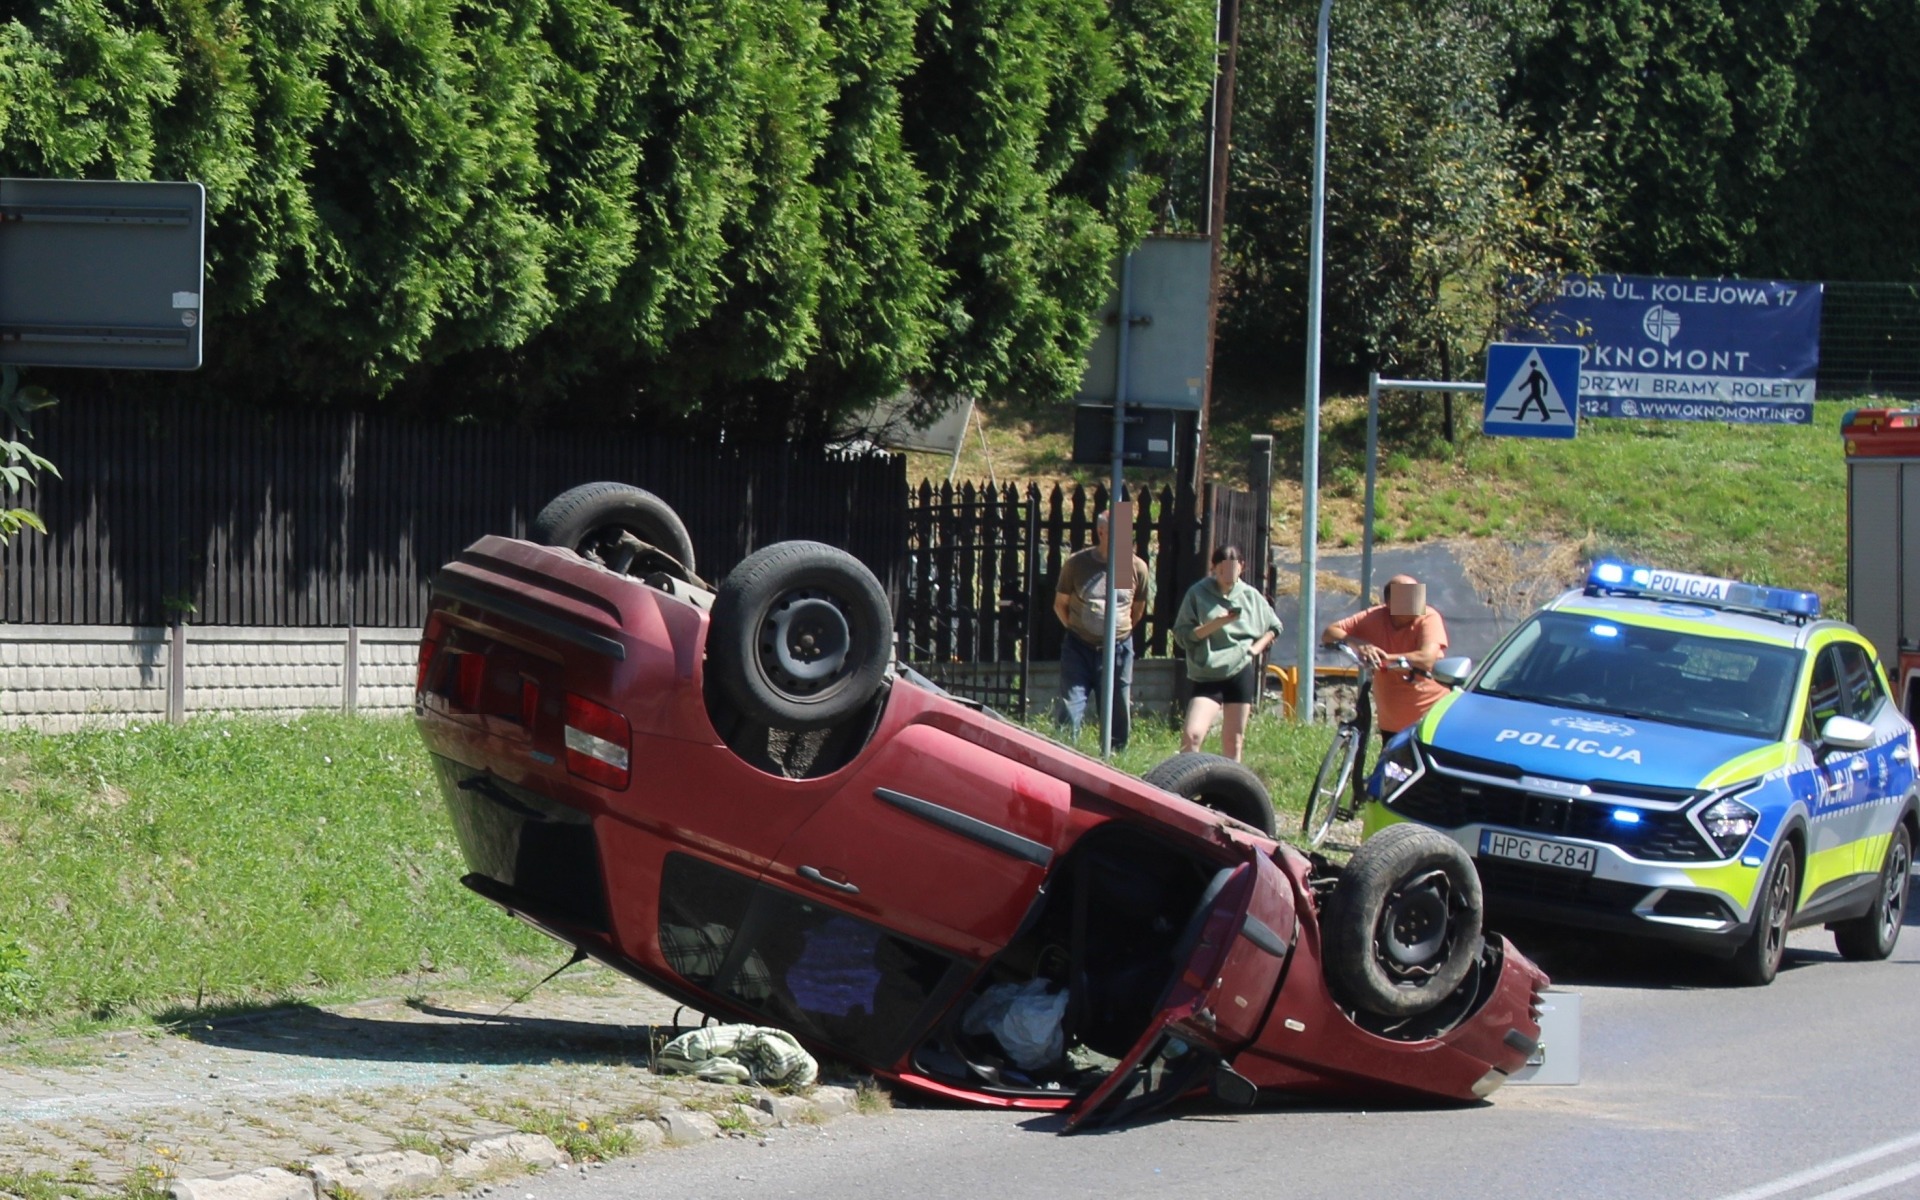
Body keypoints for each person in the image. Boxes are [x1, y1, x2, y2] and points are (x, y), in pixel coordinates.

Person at [1173, 545, 1283, 761]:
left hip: (1239, 670)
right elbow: (1183, 634)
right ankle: (1184, 785)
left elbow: (1275, 626)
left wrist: (1255, 649)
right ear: (1214, 568)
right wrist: (1216, 624)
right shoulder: (1198, 593)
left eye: (1233, 569)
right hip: (1208, 673)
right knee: (1192, 735)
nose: (1227, 576)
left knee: (1234, 740)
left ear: (1242, 567)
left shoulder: (1250, 595)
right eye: (1222, 570)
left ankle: (1231, 791)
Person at [1053, 510, 1151, 750]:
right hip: (1079, 648)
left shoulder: (1132, 566)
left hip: (1118, 649)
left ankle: (1116, 759)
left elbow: (1135, 609)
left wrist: (1116, 632)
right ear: (1101, 532)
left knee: (1118, 706)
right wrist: (1079, 630)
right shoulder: (1078, 564)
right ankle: (1065, 756)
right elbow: (1060, 605)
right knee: (1071, 705)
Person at [1320, 574, 1450, 739]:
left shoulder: (1430, 617)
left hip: (1430, 718)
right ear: (1389, 603)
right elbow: (1329, 633)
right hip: (1391, 721)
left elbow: (1427, 659)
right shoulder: (1375, 616)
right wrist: (1357, 643)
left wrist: (1384, 657)